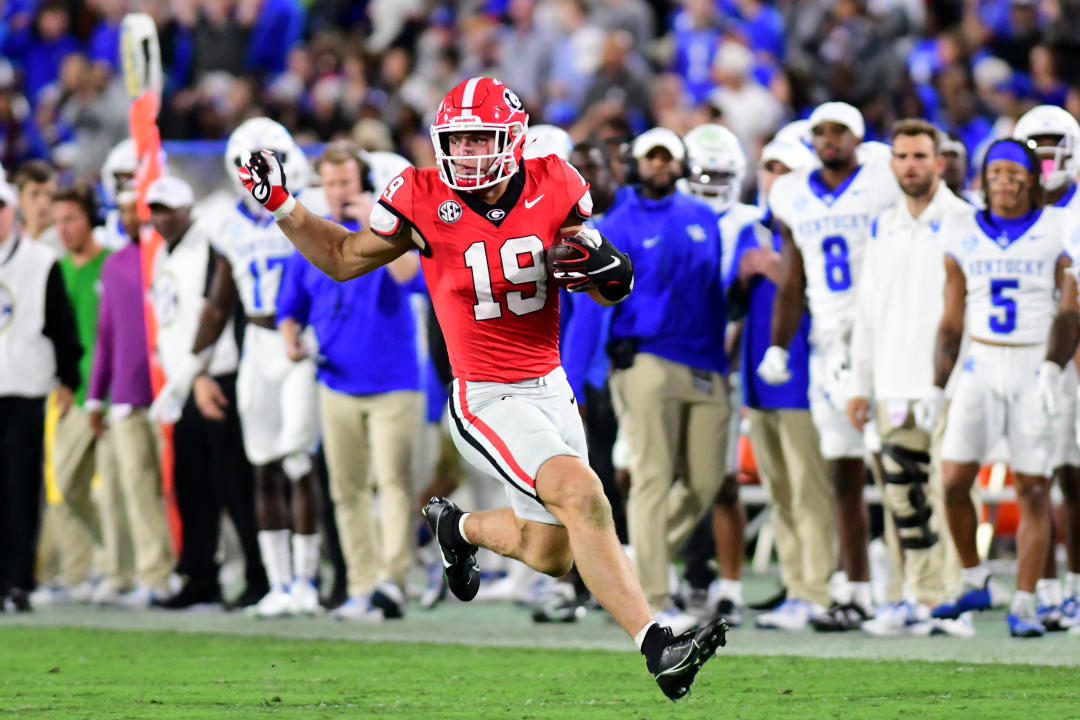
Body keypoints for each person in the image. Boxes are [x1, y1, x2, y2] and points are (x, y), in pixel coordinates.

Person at [239, 76, 727, 701]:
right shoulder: (418, 195)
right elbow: (340, 257)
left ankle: (459, 529)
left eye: (480, 139)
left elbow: (605, 283)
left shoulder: (556, 182)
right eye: (458, 140)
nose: (467, 154)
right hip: (484, 394)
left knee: (551, 551)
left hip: (549, 386)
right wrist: (285, 207)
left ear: (512, 140)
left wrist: (612, 269)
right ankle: (660, 644)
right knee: (583, 496)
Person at [152, 119, 322, 619]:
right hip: (257, 345)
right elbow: (217, 304)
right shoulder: (226, 222)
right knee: (263, 461)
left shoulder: (306, 208)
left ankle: (309, 580)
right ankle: (279, 582)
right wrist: (186, 376)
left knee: (298, 460)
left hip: (300, 343)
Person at [927, 138, 1079, 638]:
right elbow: (951, 318)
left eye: (1016, 171)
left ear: (1032, 178)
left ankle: (1027, 601)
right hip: (982, 360)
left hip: (1035, 360)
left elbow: (1070, 308)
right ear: (984, 177)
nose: (1005, 179)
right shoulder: (962, 228)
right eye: (997, 171)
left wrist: (1056, 368)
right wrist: (936, 386)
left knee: (1034, 485)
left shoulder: (1059, 227)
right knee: (951, 482)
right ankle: (974, 578)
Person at [757, 102, 900, 631]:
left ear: (858, 137)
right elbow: (792, 279)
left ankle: (910, 589)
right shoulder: (793, 193)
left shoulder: (885, 178)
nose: (829, 139)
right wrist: (778, 344)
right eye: (820, 131)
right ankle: (857, 588)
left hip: (884, 338)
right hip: (828, 343)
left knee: (898, 470)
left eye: (839, 130)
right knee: (842, 469)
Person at [277, 141, 422, 621]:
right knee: (347, 490)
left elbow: (408, 276)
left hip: (392, 381)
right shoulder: (315, 238)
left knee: (394, 485)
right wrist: (291, 337)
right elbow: (290, 304)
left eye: (347, 182)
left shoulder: (389, 232)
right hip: (335, 381)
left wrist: (372, 220)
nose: (339, 191)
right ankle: (362, 584)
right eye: (332, 182)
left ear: (363, 183)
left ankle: (392, 582)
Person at [847, 119, 971, 635]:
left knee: (948, 490)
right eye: (901, 156)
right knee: (902, 494)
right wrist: (860, 383)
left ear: (940, 162)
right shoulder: (881, 226)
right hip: (894, 378)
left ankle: (952, 598)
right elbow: (868, 312)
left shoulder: (966, 220)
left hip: (952, 381)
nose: (911, 165)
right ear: (892, 163)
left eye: (920, 156)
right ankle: (912, 597)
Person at [730, 134, 839, 631]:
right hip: (760, 381)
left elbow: (841, 297)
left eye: (784, 169)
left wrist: (778, 270)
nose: (773, 178)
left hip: (803, 378)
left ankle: (817, 589)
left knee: (808, 488)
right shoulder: (752, 229)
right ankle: (797, 585)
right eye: (769, 168)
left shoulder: (817, 229)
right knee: (779, 492)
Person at [146, 175, 268, 610]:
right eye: (155, 210)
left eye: (168, 209)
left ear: (188, 209)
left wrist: (198, 377)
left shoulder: (208, 245)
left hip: (213, 378)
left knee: (233, 483)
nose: (160, 218)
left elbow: (211, 314)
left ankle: (260, 575)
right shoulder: (164, 251)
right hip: (185, 383)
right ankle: (199, 576)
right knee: (191, 485)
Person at [680, 122, 762, 627]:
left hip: (722, 362)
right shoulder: (672, 214)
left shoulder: (750, 222)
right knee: (663, 476)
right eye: (703, 173)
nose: (712, 184)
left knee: (724, 480)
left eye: (720, 174)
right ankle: (671, 580)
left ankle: (729, 586)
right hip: (674, 354)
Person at [84, 185, 174, 606]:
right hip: (126, 392)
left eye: (135, 210)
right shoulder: (115, 264)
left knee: (176, 485)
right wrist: (95, 395)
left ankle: (184, 569)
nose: (129, 218)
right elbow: (106, 336)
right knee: (137, 490)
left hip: (167, 388)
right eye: (123, 210)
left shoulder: (168, 258)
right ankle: (153, 575)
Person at [1012, 105, 1080, 630]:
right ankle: (1059, 588)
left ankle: (1073, 587)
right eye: (1036, 145)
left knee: (1071, 476)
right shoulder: (1014, 212)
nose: (1045, 157)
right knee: (1049, 474)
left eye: (1055, 143)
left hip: (1068, 356)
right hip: (1032, 359)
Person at [0, 179, 81, 612]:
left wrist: (67, 378)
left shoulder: (40, 261)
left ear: (12, 210)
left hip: (27, 390)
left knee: (21, 489)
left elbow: (61, 325)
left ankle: (18, 581)